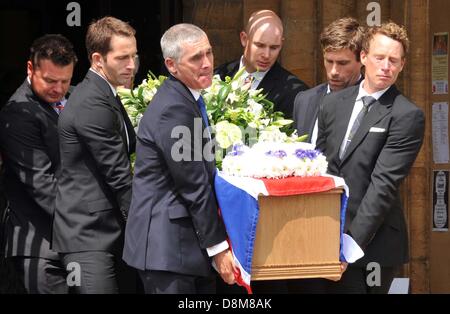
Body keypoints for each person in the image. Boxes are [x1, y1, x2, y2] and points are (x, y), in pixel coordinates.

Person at [122, 23, 237, 294]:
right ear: (172, 66)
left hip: (181, 250)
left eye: (209, 53)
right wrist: (219, 249)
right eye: (196, 58)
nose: (207, 63)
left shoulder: (186, 98)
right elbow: (193, 184)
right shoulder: (174, 108)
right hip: (167, 250)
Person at [316, 22, 425, 294]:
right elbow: (319, 167)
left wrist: (349, 247)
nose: (386, 66)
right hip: (323, 240)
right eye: (379, 57)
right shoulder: (331, 103)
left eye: (394, 60)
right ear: (363, 57)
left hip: (371, 247)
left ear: (402, 65)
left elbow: (383, 186)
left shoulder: (406, 115)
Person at [52, 17, 137, 294]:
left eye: (134, 56)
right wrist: (148, 225)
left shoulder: (105, 94)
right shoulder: (92, 102)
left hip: (106, 233)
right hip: (88, 238)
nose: (131, 65)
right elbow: (119, 175)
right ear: (98, 59)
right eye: (122, 58)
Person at [0, 34, 77, 293]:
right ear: (30, 69)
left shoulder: (71, 99)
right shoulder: (18, 113)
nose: (58, 89)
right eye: (50, 80)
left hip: (70, 243)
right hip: (40, 248)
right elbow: (43, 186)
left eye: (65, 81)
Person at [215, 9, 309, 119]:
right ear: (244, 39)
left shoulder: (296, 93)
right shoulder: (218, 76)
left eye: (274, 47)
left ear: (281, 44)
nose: (266, 55)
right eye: (260, 45)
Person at [293, 17, 364, 145]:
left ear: (362, 60)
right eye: (329, 61)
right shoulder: (304, 100)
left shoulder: (373, 104)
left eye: (343, 63)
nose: (334, 71)